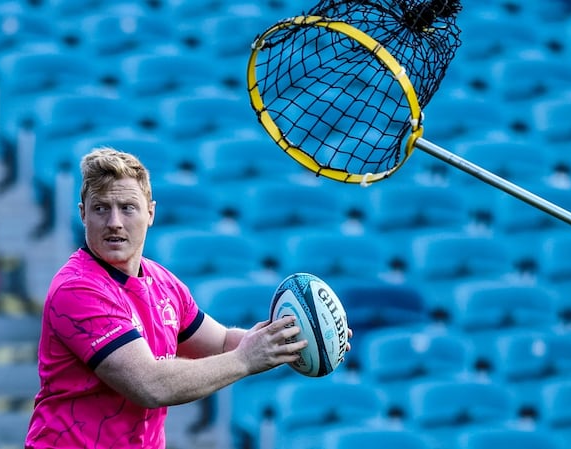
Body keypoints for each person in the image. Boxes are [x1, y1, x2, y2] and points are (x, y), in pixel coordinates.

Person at [25, 147, 351, 449]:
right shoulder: (78, 289)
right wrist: (245, 360)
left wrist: (294, 339)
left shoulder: (164, 283)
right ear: (83, 214)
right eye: (101, 209)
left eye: (128, 208)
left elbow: (223, 342)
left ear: (150, 213)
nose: (115, 222)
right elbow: (150, 385)